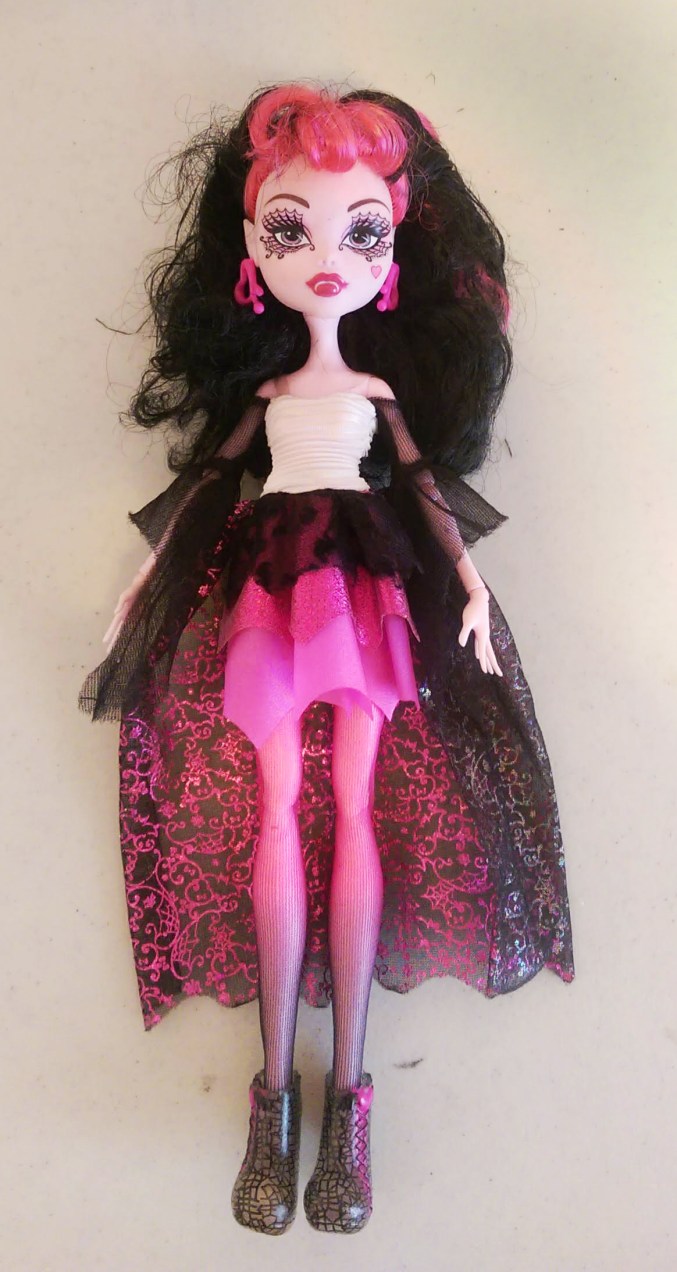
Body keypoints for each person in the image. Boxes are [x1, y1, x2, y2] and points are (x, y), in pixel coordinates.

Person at [79, 83, 574, 1236]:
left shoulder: (375, 392)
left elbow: (422, 491)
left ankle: (347, 1097)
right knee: (272, 807)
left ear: (392, 260)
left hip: (360, 581)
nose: (327, 261)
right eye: (290, 229)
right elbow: (207, 486)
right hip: (269, 582)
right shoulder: (265, 393)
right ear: (251, 256)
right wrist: (142, 588)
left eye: (362, 234)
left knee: (352, 807)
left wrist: (469, 586)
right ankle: (272, 1102)